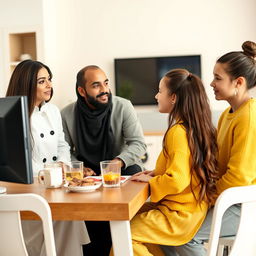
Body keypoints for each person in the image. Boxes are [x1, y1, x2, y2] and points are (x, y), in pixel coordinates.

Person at [162, 41, 256, 256]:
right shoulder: (228, 114)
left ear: (238, 82)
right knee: (167, 228)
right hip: (227, 200)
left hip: (243, 206)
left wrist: (206, 197)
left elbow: (239, 177)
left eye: (218, 78)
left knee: (185, 235)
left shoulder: (249, 118)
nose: (211, 83)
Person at [129, 68, 218, 256]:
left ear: (174, 98)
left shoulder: (177, 132)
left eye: (160, 91)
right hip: (191, 208)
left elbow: (177, 180)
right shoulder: (192, 127)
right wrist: (154, 173)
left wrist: (152, 182)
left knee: (125, 234)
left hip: (180, 214)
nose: (156, 95)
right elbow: (185, 168)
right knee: (131, 218)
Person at [6, 59, 90, 256]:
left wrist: (62, 164)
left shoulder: (53, 111)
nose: (50, 85)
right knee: (55, 226)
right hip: (30, 189)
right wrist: (49, 174)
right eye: (42, 81)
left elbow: (62, 144)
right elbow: (16, 161)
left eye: (49, 79)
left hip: (56, 185)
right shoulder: (13, 114)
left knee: (69, 216)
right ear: (26, 84)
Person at [61, 65, 146, 255]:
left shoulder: (123, 106)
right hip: (86, 176)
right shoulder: (66, 114)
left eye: (106, 83)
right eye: (96, 85)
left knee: (117, 222)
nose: (104, 90)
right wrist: (78, 167)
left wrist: (117, 162)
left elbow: (138, 144)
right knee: (92, 231)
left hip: (120, 171)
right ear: (82, 91)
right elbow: (65, 149)